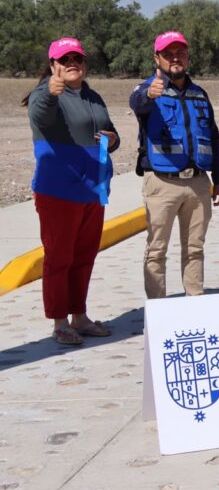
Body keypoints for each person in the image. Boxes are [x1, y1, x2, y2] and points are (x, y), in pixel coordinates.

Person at [24, 38, 119, 345]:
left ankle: (79, 316)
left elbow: (109, 130)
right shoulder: (45, 93)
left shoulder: (92, 96)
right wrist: (51, 95)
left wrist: (112, 139)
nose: (72, 63)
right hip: (59, 191)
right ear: (53, 65)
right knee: (59, 257)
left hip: (93, 189)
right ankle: (59, 322)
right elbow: (40, 118)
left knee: (84, 256)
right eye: (64, 59)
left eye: (77, 57)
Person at [129, 31, 219, 299]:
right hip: (162, 182)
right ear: (156, 58)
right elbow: (137, 102)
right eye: (168, 54)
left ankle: (193, 300)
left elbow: (214, 137)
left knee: (195, 247)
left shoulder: (199, 94)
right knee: (157, 249)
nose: (175, 58)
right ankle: (158, 307)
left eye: (180, 53)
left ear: (187, 57)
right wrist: (150, 93)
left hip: (197, 183)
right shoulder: (146, 89)